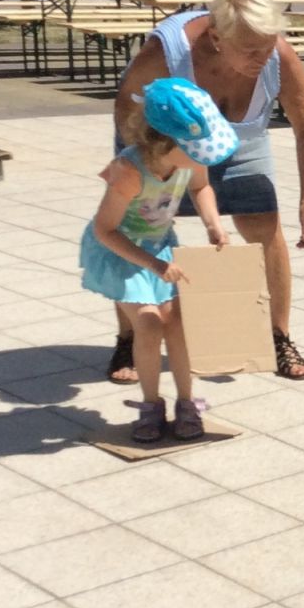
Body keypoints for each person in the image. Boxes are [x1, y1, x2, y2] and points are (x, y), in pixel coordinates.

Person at [107, 0, 304, 384]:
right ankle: (129, 338)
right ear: (217, 37)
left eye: (268, 46)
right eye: (251, 50)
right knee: (139, 234)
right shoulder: (168, 51)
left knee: (265, 227)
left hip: (240, 139)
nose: (263, 58)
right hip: (164, 140)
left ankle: (278, 336)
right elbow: (126, 106)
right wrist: (151, 166)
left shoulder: (278, 56)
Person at [81, 77, 235, 442]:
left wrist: (213, 224)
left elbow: (201, 186)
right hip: (123, 252)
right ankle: (151, 404)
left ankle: (186, 402)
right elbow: (106, 230)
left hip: (160, 246)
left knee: (178, 322)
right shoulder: (129, 171)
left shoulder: (187, 159)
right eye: (197, 150)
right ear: (164, 143)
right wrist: (154, 265)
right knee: (149, 325)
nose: (203, 157)